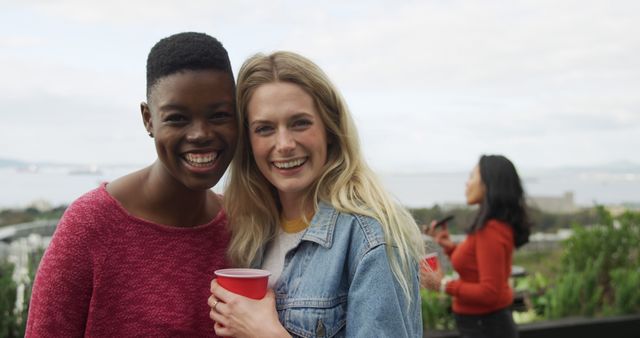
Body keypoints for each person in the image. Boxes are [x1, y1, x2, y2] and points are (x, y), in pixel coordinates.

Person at [25, 32, 237, 337]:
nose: (200, 133)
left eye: (219, 115)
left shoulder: (238, 226)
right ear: (148, 119)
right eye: (177, 118)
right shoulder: (91, 225)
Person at [208, 51, 424, 337]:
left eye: (300, 123)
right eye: (265, 128)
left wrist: (265, 333)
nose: (284, 144)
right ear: (248, 142)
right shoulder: (254, 232)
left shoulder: (371, 237)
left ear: (329, 129)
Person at [420, 155, 532, 338]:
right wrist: (450, 248)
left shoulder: (491, 231)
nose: (467, 183)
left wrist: (442, 284)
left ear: (488, 183)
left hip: (487, 326)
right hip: (486, 324)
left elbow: (489, 292)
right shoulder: (493, 226)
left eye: (472, 176)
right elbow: (478, 267)